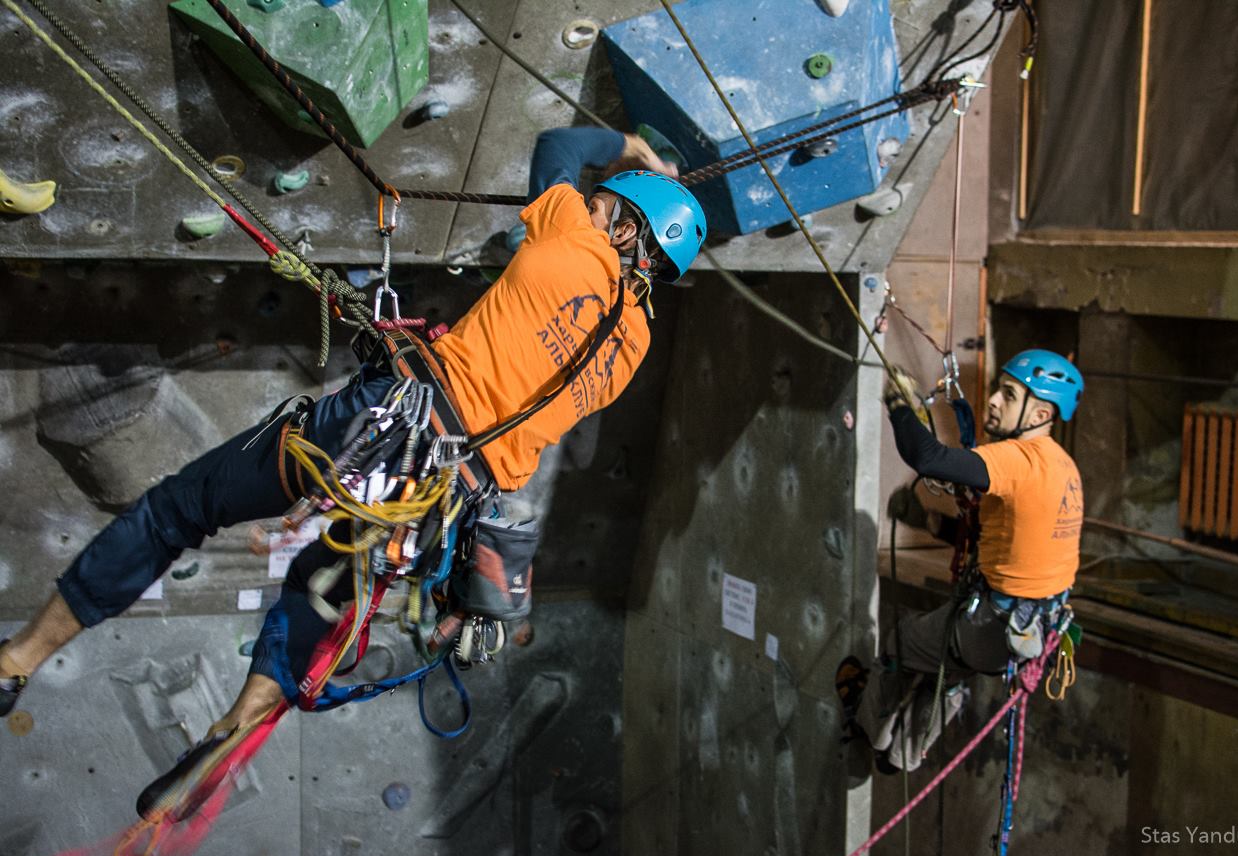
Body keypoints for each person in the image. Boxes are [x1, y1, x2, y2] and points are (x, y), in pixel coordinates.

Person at [0, 127, 707, 738]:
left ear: (621, 230)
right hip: (441, 501)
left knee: (181, 508)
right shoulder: (636, 346)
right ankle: (230, 730)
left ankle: (17, 660)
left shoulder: (573, 235)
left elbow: (558, 148)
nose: (592, 202)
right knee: (321, 587)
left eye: (606, 204)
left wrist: (631, 148)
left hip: (384, 424)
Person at [839, 349, 1084, 775]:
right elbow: (1003, 542)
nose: (992, 400)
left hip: (990, 626)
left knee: (903, 641)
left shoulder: (1018, 461)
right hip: (1026, 633)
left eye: (1008, 395)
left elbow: (930, 459)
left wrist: (899, 405)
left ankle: (868, 730)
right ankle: (901, 754)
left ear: (1041, 411)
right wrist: (930, 522)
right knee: (944, 664)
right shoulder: (1063, 467)